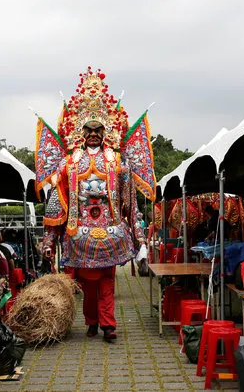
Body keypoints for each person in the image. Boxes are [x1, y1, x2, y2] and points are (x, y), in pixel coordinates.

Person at [36, 68, 154, 342]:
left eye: (97, 129)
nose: (92, 134)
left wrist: (140, 241)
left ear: (105, 130)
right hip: (79, 236)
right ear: (79, 131)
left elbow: (130, 205)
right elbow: (57, 204)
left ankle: (108, 325)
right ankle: (91, 321)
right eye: (87, 130)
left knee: (107, 284)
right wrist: (48, 240)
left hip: (111, 235)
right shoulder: (68, 164)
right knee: (86, 288)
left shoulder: (118, 163)